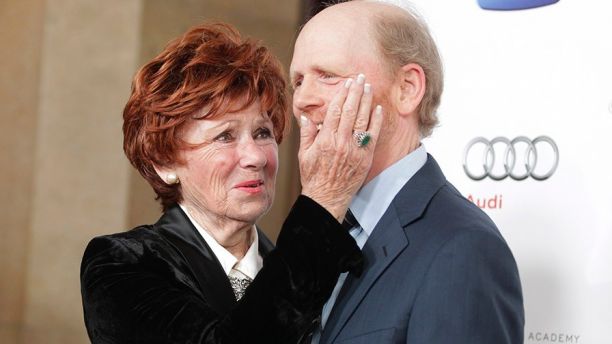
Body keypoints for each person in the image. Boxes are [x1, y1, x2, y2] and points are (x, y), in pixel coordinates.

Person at [80, 22, 383, 343]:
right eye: (225, 136)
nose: (255, 156)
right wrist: (324, 199)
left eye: (263, 133)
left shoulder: (306, 265)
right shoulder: (122, 262)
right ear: (164, 162)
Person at [290, 1, 525, 343]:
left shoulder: (463, 250)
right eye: (297, 81)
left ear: (407, 89)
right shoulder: (315, 228)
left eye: (328, 76)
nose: (302, 100)